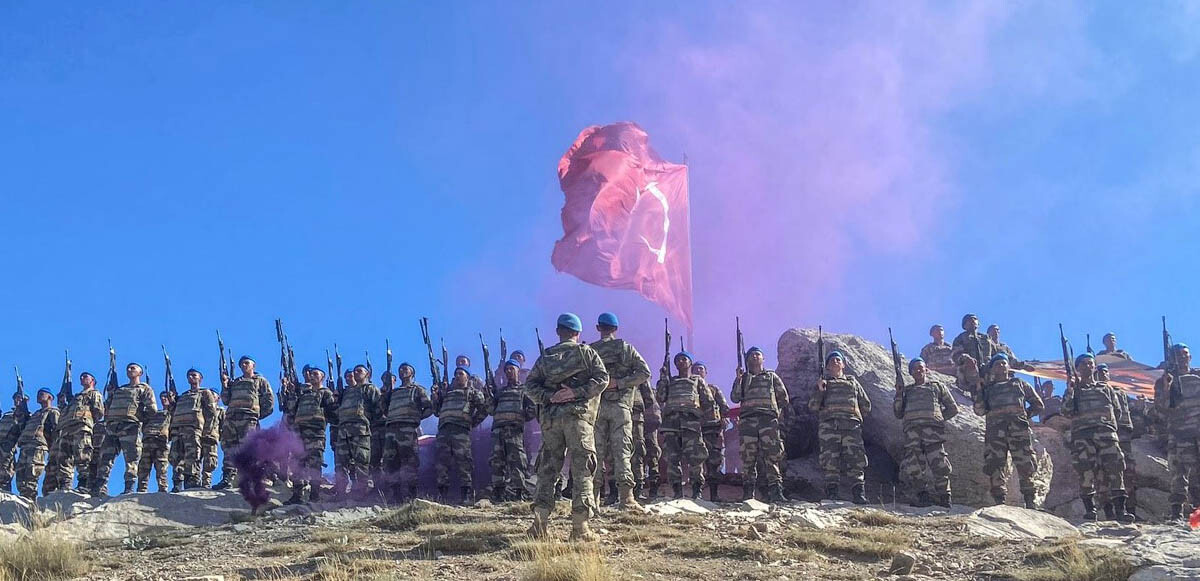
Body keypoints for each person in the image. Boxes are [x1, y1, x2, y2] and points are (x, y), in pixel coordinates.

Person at [525, 313, 609, 542]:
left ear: (558, 331)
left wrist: (551, 397)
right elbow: (602, 379)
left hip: (551, 422)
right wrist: (576, 392)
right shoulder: (586, 353)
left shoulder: (545, 358)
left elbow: (530, 387)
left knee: (547, 470)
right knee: (582, 470)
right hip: (578, 420)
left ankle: (539, 526)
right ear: (577, 333)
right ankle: (580, 529)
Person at [588, 312, 651, 510]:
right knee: (622, 451)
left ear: (598, 328)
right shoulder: (625, 348)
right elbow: (644, 373)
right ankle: (627, 498)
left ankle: (594, 499)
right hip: (621, 407)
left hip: (596, 408)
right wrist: (620, 383)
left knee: (595, 452)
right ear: (615, 329)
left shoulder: (590, 351)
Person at [1063, 354, 1133, 522]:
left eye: (1091, 364)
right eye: (1084, 364)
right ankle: (1090, 510)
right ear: (1078, 368)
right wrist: (1071, 391)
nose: (1088, 367)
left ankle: (1120, 511)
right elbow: (1066, 411)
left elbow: (1117, 412)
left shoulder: (1106, 388)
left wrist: (1108, 426)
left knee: (1115, 469)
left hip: (1107, 434)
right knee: (1085, 471)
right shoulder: (1074, 390)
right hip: (1082, 436)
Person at [974, 353, 1043, 508]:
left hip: (1018, 430)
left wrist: (1024, 416)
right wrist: (979, 389)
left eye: (1004, 363)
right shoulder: (988, 389)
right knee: (995, 465)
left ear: (1009, 366)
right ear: (992, 369)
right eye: (997, 364)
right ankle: (999, 501)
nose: (1001, 366)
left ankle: (1030, 500)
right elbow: (979, 411)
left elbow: (1038, 404)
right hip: (995, 433)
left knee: (1025, 463)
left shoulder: (1019, 383)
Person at [894, 358, 958, 507]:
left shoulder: (936, 387)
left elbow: (953, 408)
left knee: (940, 465)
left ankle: (945, 497)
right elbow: (898, 413)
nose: (918, 370)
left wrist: (939, 419)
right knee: (914, 467)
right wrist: (898, 394)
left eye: (920, 367)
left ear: (926, 369)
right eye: (914, 368)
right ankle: (922, 496)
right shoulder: (907, 391)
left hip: (933, 433)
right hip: (912, 434)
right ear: (910, 372)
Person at [809, 350, 871, 504]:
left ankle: (859, 494)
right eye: (831, 361)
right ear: (827, 367)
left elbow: (866, 404)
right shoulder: (823, 383)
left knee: (856, 460)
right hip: (829, 427)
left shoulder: (852, 382)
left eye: (838, 360)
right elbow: (813, 406)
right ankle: (832, 494)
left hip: (851, 426)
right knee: (830, 460)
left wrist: (854, 416)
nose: (835, 362)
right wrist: (820, 391)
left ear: (843, 364)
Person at [731, 346, 788, 502]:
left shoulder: (771, 377)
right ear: (747, 360)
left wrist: (777, 413)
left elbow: (783, 397)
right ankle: (748, 493)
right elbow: (735, 398)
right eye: (751, 355)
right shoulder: (743, 379)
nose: (755, 357)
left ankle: (776, 492)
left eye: (758, 354)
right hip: (748, 422)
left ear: (763, 359)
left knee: (772, 456)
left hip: (768, 420)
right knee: (748, 458)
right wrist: (739, 379)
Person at [656, 351, 712, 500]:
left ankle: (696, 491)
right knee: (672, 459)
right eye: (678, 360)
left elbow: (708, 401)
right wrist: (662, 378)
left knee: (695, 459)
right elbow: (660, 397)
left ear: (690, 363)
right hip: (671, 424)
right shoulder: (670, 381)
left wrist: (703, 419)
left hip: (691, 424)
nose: (681, 361)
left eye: (684, 359)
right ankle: (677, 492)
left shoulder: (697, 381)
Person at [1154, 343, 1200, 521]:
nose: (1182, 357)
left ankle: (1197, 516)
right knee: (1179, 474)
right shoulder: (1165, 381)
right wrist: (1166, 388)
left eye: (1185, 354)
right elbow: (1161, 410)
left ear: (1190, 357)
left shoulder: (1197, 376)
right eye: (1178, 355)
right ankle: (1176, 514)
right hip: (1179, 433)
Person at [96, 363, 157, 496]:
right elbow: (106, 406)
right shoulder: (120, 389)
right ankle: (100, 487)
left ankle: (129, 487)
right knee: (105, 457)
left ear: (140, 372)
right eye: (128, 368)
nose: (129, 370)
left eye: (133, 368)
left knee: (131, 458)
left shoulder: (144, 388)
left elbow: (152, 409)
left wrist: (139, 419)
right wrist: (110, 393)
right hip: (112, 426)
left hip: (130, 426)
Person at [215, 356, 273, 490]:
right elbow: (226, 400)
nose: (244, 366)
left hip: (248, 418)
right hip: (231, 418)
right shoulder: (235, 382)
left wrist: (256, 414)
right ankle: (227, 478)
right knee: (229, 447)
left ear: (254, 365)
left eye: (247, 363)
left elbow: (269, 401)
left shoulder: (260, 381)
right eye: (242, 364)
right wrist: (224, 385)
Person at [432, 366, 487, 503]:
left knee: (464, 462)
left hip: (460, 431)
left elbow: (484, 408)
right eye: (456, 374)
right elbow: (437, 412)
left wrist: (473, 421)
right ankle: (442, 496)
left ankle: (467, 495)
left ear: (467, 377)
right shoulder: (447, 394)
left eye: (460, 374)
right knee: (441, 463)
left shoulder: (473, 393)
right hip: (444, 431)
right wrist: (435, 398)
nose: (457, 376)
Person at [380, 362, 432, 502]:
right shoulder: (393, 392)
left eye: (406, 368)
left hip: (408, 429)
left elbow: (428, 407)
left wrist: (415, 418)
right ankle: (395, 496)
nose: (403, 370)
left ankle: (411, 496)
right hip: (391, 430)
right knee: (390, 463)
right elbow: (384, 408)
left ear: (412, 373)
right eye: (401, 368)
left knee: (409, 462)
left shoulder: (417, 389)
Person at [284, 366, 336, 504]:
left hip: (315, 434)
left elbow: (332, 412)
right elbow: (292, 411)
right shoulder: (303, 394)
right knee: (297, 465)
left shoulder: (325, 393)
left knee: (314, 465)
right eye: (310, 374)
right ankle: (297, 495)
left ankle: (314, 495)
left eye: (315, 374)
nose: (312, 376)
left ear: (322, 377)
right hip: (300, 434)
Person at [1094, 362, 1138, 521]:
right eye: (1099, 372)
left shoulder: (1119, 391)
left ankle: (1129, 509)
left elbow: (1127, 411)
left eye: (1105, 372)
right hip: (1103, 435)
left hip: (1123, 435)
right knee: (1102, 473)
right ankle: (1109, 511)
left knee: (1128, 472)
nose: (1103, 375)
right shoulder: (1093, 391)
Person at [488, 359, 536, 502]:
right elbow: (490, 410)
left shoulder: (524, 390)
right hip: (498, 431)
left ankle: (518, 492)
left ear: (518, 371)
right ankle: (498, 492)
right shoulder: (500, 392)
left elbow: (532, 410)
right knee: (497, 461)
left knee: (517, 461)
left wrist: (520, 419)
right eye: (507, 369)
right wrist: (488, 396)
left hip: (514, 430)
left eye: (512, 369)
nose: (509, 372)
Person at [51, 371, 104, 493]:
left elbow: (98, 412)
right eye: (81, 377)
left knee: (82, 454)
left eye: (85, 376)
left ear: (92, 380)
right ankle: (65, 484)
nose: (82, 378)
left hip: (82, 427)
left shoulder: (94, 393)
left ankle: (84, 482)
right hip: (67, 428)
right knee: (64, 457)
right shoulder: (75, 397)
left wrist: (87, 419)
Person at [335, 364, 381, 497]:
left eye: (359, 371)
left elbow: (379, 408)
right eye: (354, 371)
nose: (356, 373)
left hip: (360, 431)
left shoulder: (370, 389)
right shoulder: (347, 391)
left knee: (361, 462)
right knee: (340, 463)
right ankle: (341, 492)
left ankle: (362, 492)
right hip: (343, 432)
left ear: (367, 374)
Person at [168, 369, 217, 491]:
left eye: (194, 375)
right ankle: (177, 482)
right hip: (178, 429)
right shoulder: (183, 396)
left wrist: (207, 431)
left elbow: (211, 413)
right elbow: (173, 412)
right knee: (176, 456)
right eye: (189, 375)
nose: (191, 377)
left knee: (193, 455)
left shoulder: (204, 393)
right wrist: (172, 401)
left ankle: (192, 481)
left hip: (193, 428)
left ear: (200, 378)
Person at [694, 361, 730, 502]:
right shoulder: (689, 389)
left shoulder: (713, 389)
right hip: (695, 429)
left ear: (705, 373)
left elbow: (724, 407)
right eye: (695, 369)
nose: (698, 371)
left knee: (714, 462)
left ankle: (714, 495)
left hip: (712, 428)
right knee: (696, 461)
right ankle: (696, 495)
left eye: (701, 369)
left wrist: (723, 419)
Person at [15, 389, 58, 499]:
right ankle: (23, 497)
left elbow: (56, 431)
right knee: (20, 475)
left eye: (42, 394)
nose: (39, 396)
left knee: (32, 473)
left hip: (38, 446)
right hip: (25, 445)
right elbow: (23, 426)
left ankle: (29, 500)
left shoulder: (53, 411)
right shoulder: (36, 413)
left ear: (50, 397)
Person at [951, 314, 995, 396]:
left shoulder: (986, 338)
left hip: (986, 370)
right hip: (968, 372)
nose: (972, 321)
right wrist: (966, 358)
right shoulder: (961, 338)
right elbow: (955, 355)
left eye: (974, 319)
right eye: (969, 320)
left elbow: (997, 353)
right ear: (964, 325)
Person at [137, 390, 172, 492]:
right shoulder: (154, 413)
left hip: (161, 442)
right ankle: (141, 490)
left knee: (161, 468)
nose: (163, 399)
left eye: (166, 397)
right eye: (162, 397)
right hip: (147, 441)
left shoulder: (172, 413)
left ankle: (163, 489)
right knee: (143, 467)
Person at [0, 393, 30, 492]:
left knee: (5, 472)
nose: (17, 400)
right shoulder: (7, 414)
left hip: (8, 447)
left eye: (20, 398)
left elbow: (23, 429)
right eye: (16, 398)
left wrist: (22, 413)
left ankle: (5, 492)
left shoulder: (26, 415)